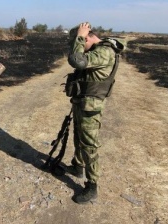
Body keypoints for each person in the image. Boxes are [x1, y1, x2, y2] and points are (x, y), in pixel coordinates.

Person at [64, 22, 124, 204]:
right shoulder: (98, 50)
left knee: (89, 145)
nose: (80, 45)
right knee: (78, 137)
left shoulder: (104, 52)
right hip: (82, 102)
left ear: (89, 36)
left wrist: (80, 36)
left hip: (91, 106)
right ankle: (78, 166)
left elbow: (76, 60)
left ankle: (92, 186)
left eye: (82, 41)